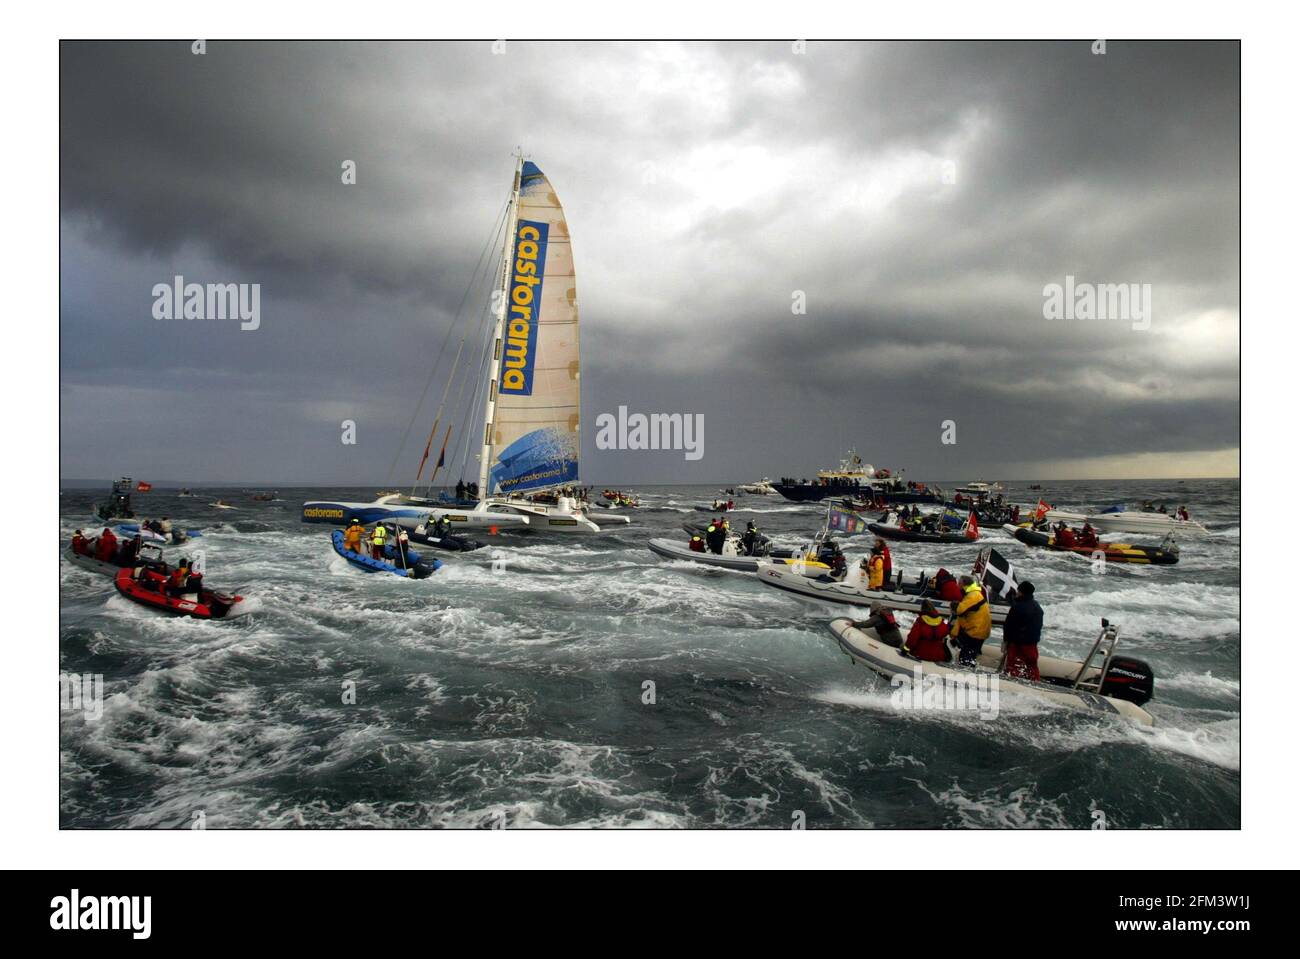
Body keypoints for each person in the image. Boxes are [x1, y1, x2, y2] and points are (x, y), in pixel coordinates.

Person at [1001, 581, 1043, 680]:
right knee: (1032, 667)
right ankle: (1035, 684)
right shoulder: (1037, 607)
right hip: (1032, 644)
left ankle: (1012, 684)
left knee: (1014, 666)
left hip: (1018, 644)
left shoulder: (1018, 607)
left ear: (1021, 592)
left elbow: (1009, 626)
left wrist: (1006, 640)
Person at [949, 575, 992, 667]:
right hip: (980, 629)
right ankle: (970, 669)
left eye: (959, 583)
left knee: (965, 656)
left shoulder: (972, 596)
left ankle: (966, 674)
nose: (957, 586)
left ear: (963, 584)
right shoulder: (974, 593)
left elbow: (960, 610)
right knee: (971, 653)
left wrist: (954, 605)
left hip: (976, 631)